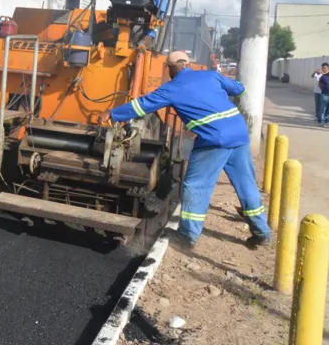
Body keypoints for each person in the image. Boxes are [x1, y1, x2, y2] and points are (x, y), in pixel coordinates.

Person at [97, 51, 270, 250]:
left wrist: (111, 113)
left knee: (195, 185)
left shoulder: (172, 88)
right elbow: (239, 89)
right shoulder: (211, 75)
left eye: (168, 68)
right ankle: (261, 232)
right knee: (246, 183)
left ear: (171, 68)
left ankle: (188, 236)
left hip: (214, 140)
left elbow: (141, 106)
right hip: (239, 134)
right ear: (187, 64)